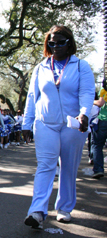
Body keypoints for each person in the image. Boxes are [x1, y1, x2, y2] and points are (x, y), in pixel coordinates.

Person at [22, 25, 94, 229]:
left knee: (68, 168)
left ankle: (64, 208)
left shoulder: (81, 66)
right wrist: (27, 123)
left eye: (61, 42)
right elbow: (32, 97)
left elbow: (87, 93)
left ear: (69, 43)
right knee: (45, 165)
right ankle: (37, 211)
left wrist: (84, 113)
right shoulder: (41, 67)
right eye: (51, 43)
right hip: (46, 124)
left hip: (73, 125)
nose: (56, 46)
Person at [90, 78, 107, 179]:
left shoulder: (104, 89)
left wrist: (91, 101)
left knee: (97, 145)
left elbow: (100, 103)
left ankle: (98, 169)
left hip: (103, 120)